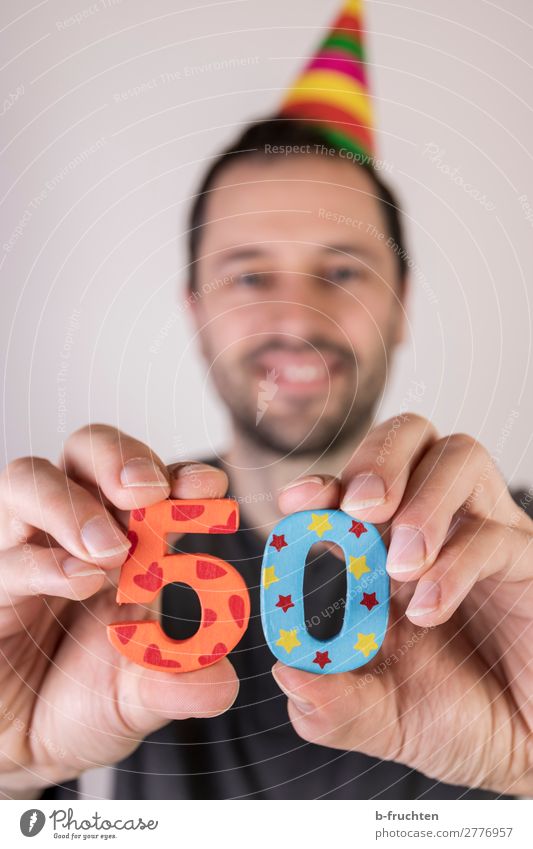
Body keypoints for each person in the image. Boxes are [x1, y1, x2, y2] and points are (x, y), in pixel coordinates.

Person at [2, 1, 532, 802]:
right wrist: (12, 767)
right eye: (250, 274)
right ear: (194, 306)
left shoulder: (512, 571)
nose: (297, 317)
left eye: (343, 270)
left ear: (401, 302)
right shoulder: (89, 587)